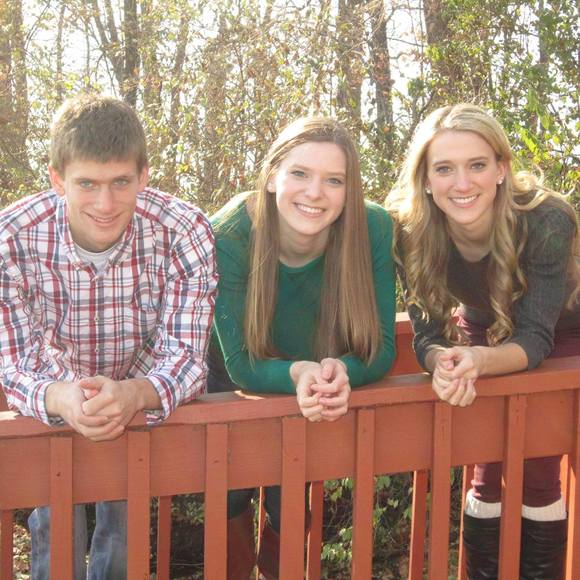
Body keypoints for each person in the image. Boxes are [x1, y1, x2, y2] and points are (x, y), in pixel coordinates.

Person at [0, 94, 218, 579]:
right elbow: (14, 362)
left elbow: (186, 354)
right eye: (87, 184)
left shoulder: (184, 230)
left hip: (138, 399)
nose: (105, 204)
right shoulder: (10, 238)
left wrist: (134, 394)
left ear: (143, 176)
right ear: (58, 179)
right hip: (54, 399)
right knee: (55, 530)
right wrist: (61, 396)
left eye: (121, 182)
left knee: (125, 530)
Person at [386, 103, 579, 579]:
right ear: (425, 179)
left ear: (501, 169)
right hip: (482, 325)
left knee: (538, 465)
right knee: (485, 459)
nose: (462, 183)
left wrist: (479, 359)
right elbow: (428, 334)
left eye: (476, 165)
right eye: (444, 169)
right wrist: (442, 361)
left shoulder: (547, 219)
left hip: (563, 331)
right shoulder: (408, 230)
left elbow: (536, 336)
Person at [208, 116, 397, 578]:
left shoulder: (372, 227)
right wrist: (296, 372)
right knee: (228, 492)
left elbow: (381, 348)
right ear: (272, 176)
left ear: (349, 191)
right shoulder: (228, 233)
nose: (315, 192)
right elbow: (240, 364)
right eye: (300, 173)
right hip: (231, 381)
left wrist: (342, 371)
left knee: (292, 495)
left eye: (334, 180)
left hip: (313, 381)